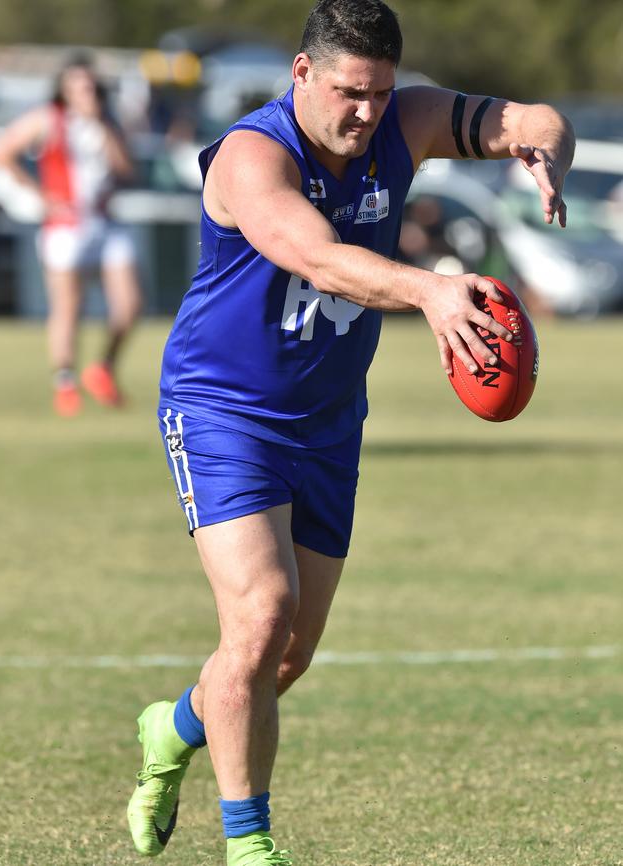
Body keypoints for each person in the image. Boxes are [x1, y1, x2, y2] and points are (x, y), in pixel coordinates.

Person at [127, 1, 575, 863]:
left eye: (378, 93)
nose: (364, 113)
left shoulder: (403, 120)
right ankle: (249, 846)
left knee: (282, 659)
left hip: (329, 420)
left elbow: (533, 116)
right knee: (263, 614)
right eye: (347, 93)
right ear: (301, 75)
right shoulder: (253, 158)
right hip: (224, 410)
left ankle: (171, 725)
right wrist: (433, 291)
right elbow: (319, 255)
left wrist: (543, 147)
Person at [0, 53, 142, 416]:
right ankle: (66, 381)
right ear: (64, 89)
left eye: (90, 86)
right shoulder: (48, 119)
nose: (85, 92)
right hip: (65, 226)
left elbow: (126, 169)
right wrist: (39, 195)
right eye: (77, 85)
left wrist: (101, 124)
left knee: (130, 303)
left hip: (104, 221)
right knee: (69, 306)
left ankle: (103, 367)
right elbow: (1, 152)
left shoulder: (106, 123)